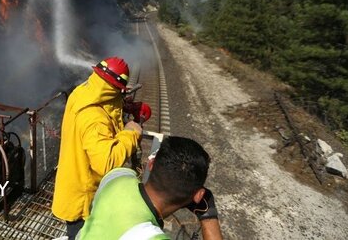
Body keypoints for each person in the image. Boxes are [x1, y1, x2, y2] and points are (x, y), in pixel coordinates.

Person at [52, 57, 143, 240]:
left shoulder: (83, 92)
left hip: (73, 181)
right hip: (85, 200)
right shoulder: (94, 118)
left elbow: (105, 105)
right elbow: (106, 162)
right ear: (115, 88)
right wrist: (131, 133)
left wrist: (121, 105)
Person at [77, 136, 223, 240]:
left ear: (151, 165)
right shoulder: (149, 236)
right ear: (198, 195)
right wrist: (208, 216)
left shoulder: (116, 177)